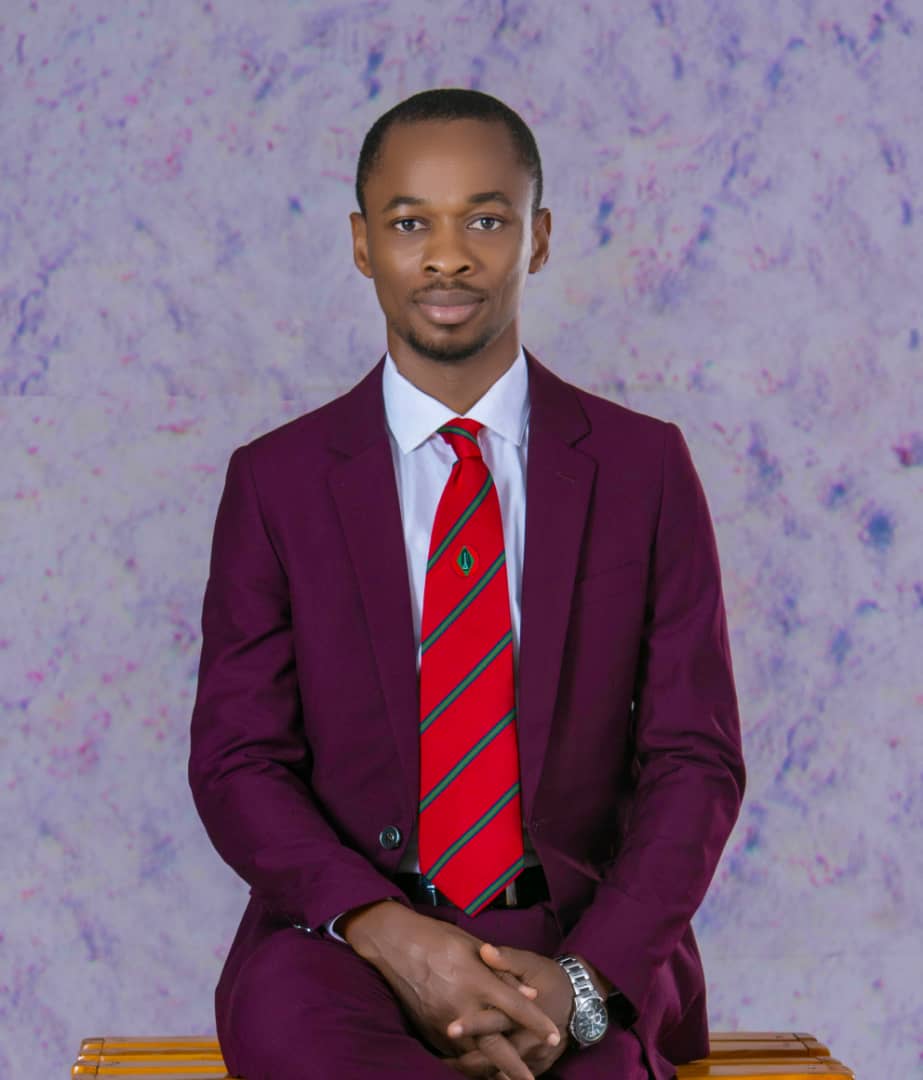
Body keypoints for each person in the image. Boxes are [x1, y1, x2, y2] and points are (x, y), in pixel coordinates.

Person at [188, 88, 745, 1080]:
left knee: (601, 1069)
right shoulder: (277, 481)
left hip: (577, 937)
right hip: (345, 943)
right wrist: (386, 932)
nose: (446, 257)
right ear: (362, 244)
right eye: (411, 224)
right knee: (297, 1039)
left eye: (484, 220)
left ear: (537, 238)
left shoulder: (642, 468)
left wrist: (582, 984)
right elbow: (239, 759)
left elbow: (693, 759)